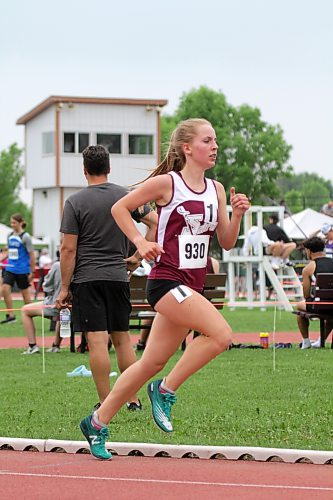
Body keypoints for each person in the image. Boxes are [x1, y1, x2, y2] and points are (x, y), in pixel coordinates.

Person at [79, 118, 250, 460]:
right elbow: (119, 208)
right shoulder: (167, 184)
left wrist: (239, 213)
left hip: (191, 285)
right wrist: (140, 241)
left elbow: (227, 242)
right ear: (188, 148)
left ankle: (96, 422)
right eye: (207, 140)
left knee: (150, 363)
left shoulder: (216, 189)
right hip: (166, 281)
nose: (215, 146)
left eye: (215, 140)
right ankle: (166, 391)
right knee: (220, 335)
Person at [56, 145, 157, 412]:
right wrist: (137, 257)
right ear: (109, 168)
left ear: (84, 170)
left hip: (87, 278)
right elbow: (156, 222)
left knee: (97, 341)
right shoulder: (125, 196)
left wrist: (64, 288)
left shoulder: (74, 202)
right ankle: (133, 399)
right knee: (122, 338)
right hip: (118, 276)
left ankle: (105, 402)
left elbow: (68, 249)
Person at [296, 237, 333, 349]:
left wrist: (314, 297)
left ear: (309, 251)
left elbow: (306, 295)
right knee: (331, 313)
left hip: (319, 304)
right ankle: (321, 340)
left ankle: (306, 342)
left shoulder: (309, 268)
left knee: (299, 307)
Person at [21, 259, 62, 354]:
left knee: (25, 310)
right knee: (64, 314)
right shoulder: (85, 265)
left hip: (57, 306)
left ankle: (32, 346)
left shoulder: (58, 265)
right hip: (80, 307)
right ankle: (56, 345)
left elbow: (47, 286)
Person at [0, 214, 35, 324]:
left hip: (22, 270)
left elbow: (32, 255)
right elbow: (8, 252)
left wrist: (32, 272)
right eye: (11, 222)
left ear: (20, 223)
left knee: (25, 295)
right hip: (10, 268)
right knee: (5, 288)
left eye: (14, 222)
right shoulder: (10, 235)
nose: (12, 225)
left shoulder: (25, 237)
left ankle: (30, 316)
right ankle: (11, 316)